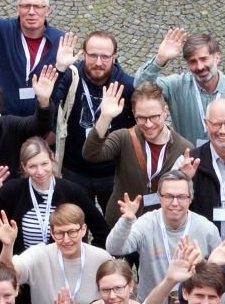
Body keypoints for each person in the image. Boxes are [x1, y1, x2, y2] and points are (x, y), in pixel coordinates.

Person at [39, 28, 132, 197]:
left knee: (113, 223)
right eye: (92, 55)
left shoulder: (126, 85)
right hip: (74, 170)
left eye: (105, 57)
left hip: (112, 172)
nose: (98, 62)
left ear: (114, 57)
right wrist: (59, 68)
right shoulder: (70, 76)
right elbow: (48, 107)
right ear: (83, 54)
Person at [133, 27, 225, 148]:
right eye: (193, 61)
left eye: (204, 59)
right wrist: (160, 60)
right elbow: (140, 87)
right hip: (188, 162)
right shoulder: (176, 86)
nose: (199, 66)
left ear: (217, 57)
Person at [81, 82, 192, 213]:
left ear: (165, 111)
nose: (148, 124)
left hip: (159, 224)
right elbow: (91, 154)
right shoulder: (124, 138)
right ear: (134, 114)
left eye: (154, 117)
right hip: (122, 221)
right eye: (142, 118)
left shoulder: (184, 148)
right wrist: (105, 117)